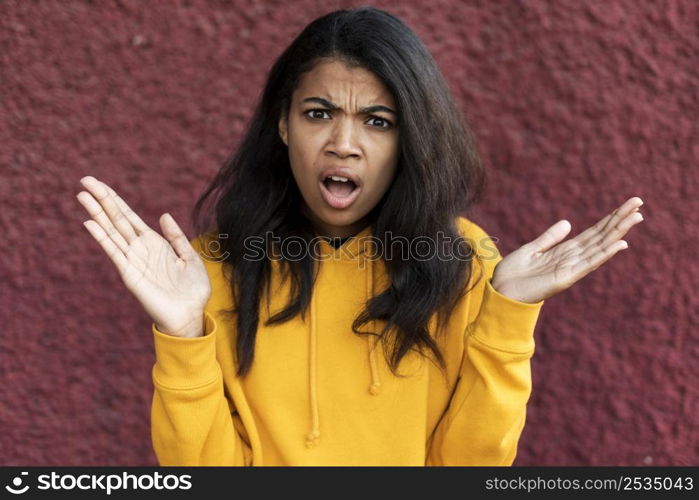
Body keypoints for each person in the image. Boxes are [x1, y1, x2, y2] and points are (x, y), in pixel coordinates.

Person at [75, 7, 644, 466]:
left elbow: (471, 468)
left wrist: (510, 314)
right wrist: (181, 333)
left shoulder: (463, 261)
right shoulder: (209, 269)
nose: (343, 143)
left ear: (410, 138)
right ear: (282, 123)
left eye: (378, 121)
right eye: (318, 113)